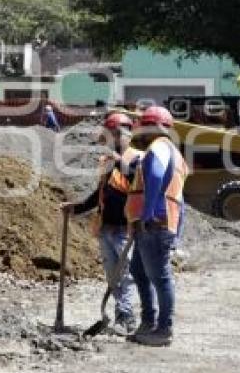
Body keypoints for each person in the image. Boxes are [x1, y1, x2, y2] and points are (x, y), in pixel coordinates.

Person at [60, 112, 141, 335]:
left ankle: (128, 317)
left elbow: (137, 181)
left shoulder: (137, 159)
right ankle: (120, 315)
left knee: (125, 274)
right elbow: (100, 194)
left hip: (127, 228)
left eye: (110, 136)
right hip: (106, 228)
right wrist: (76, 207)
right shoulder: (106, 162)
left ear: (121, 134)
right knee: (112, 275)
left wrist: (120, 162)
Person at [124, 106, 189, 347]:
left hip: (154, 223)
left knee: (160, 277)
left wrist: (147, 213)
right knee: (140, 272)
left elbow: (154, 176)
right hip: (162, 222)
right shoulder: (175, 154)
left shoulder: (157, 149)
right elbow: (181, 200)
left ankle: (163, 329)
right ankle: (149, 322)